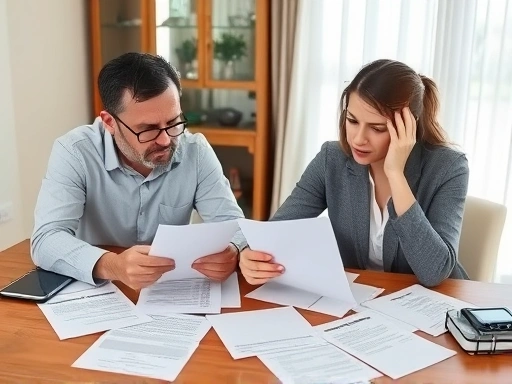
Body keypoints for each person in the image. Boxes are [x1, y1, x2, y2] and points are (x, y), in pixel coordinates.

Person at [240, 59, 469, 288]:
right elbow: (279, 231)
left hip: (433, 306)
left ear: (408, 128)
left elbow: (435, 272)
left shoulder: (448, 167)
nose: (359, 139)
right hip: (359, 303)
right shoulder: (332, 159)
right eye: (352, 120)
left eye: (377, 128)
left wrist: (395, 174)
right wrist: (249, 254)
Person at [31, 52, 246, 290]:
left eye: (173, 122)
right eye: (148, 129)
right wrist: (113, 265)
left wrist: (234, 250)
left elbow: (235, 227)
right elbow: (46, 240)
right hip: (99, 288)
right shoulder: (75, 152)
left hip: (172, 290)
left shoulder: (195, 151)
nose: (165, 140)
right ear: (110, 123)